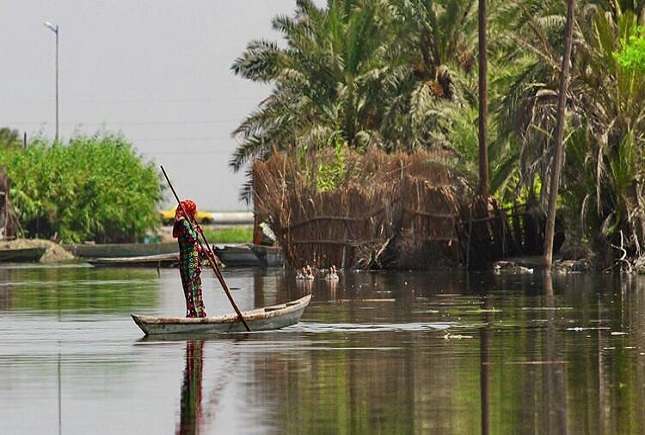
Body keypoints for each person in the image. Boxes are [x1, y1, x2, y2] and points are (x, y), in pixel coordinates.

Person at [173, 199, 207, 318]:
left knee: (191, 288)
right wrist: (197, 231)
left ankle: (196, 314)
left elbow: (191, 245)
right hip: (190, 263)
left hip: (186, 261)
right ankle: (196, 314)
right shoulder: (184, 223)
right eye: (193, 211)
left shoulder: (183, 222)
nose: (195, 214)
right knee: (193, 287)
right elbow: (191, 238)